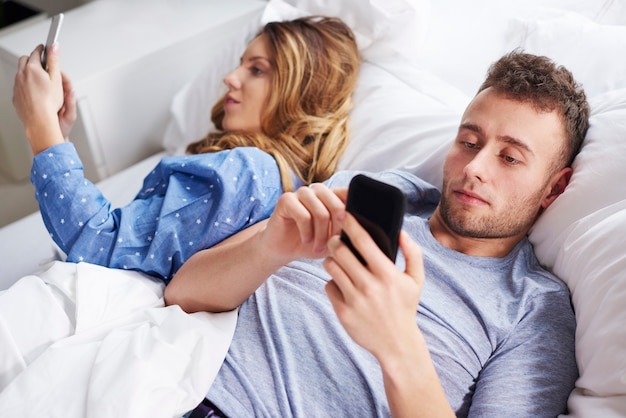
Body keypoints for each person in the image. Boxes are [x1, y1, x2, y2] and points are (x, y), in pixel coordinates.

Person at [165, 50, 590, 417]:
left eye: (510, 158)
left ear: (553, 188)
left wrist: (398, 346)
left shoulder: (532, 310)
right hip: (167, 386)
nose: (475, 168)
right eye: (469, 141)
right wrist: (267, 249)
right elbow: (182, 293)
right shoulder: (372, 195)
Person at [11, 16, 360, 281]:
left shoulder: (247, 172)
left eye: (256, 69)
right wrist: (57, 133)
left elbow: (100, 244)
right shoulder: (275, 182)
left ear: (302, 95)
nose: (230, 78)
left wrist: (41, 128)